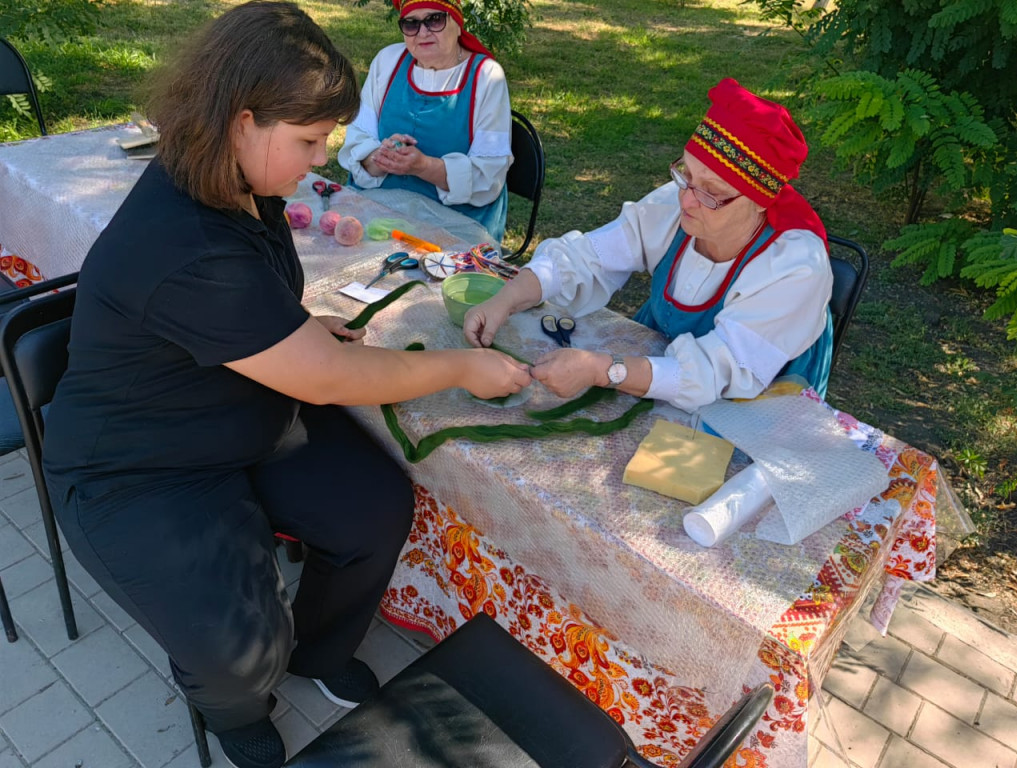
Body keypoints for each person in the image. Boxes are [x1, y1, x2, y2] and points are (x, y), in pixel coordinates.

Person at [41, 4, 530, 768]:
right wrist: (464, 368)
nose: (321, 158)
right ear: (242, 121)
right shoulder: (186, 242)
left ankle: (317, 650)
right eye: (309, 141)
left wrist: (288, 332)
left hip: (237, 409)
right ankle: (233, 702)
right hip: (136, 468)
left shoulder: (238, 179)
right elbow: (332, 379)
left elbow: (257, 305)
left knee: (373, 510)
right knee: (241, 653)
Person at [464, 78, 834, 412]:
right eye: (686, 174)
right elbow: (587, 257)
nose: (687, 199)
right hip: (661, 369)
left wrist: (601, 369)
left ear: (759, 201)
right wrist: (506, 298)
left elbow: (715, 372)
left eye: (711, 193)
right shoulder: (678, 204)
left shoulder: (795, 267)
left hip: (757, 405)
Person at [337, 0, 512, 243]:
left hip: (455, 224)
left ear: (457, 23)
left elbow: (488, 177)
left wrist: (423, 166)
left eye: (435, 20)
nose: (422, 32)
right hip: (379, 211)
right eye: (411, 24)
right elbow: (358, 139)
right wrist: (382, 158)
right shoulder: (388, 61)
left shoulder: (486, 76)